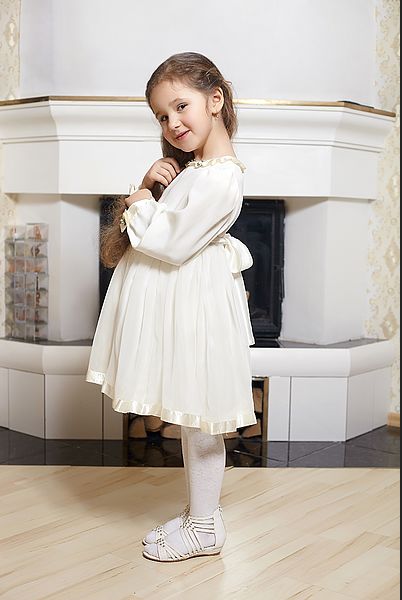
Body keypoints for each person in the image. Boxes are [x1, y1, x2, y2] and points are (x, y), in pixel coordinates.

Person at [85, 52, 257, 562]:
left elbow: (170, 240)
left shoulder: (221, 177)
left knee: (201, 415)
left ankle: (204, 525)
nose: (172, 123)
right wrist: (152, 182)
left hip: (198, 310)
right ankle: (201, 514)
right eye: (162, 115)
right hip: (185, 307)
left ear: (215, 99)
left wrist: (140, 196)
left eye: (180, 106)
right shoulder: (195, 171)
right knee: (191, 412)